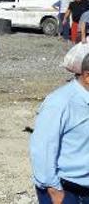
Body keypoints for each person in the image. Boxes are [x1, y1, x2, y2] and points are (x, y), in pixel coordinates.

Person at [29, 54, 89, 203]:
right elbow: (42, 149)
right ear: (87, 76)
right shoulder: (61, 103)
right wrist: (55, 192)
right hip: (67, 191)